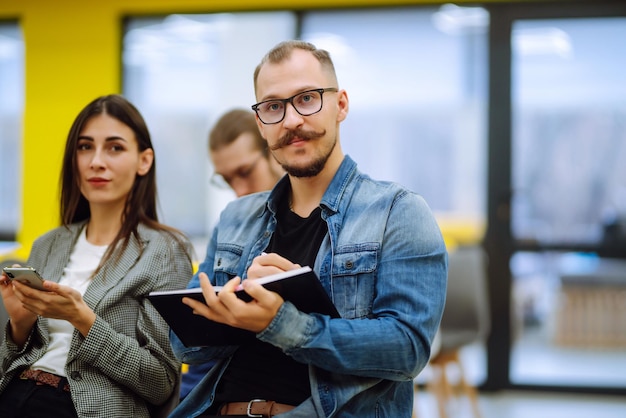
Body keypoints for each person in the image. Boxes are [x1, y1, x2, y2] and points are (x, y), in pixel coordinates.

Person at [170, 40, 447, 417]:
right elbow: (186, 346)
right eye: (273, 107)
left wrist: (284, 323)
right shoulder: (236, 219)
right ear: (261, 125)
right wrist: (226, 315)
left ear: (341, 105)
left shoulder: (398, 213)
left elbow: (407, 350)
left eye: (307, 99)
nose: (291, 120)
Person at [0, 94, 193, 418]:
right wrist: (20, 325)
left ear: (144, 161)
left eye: (115, 148)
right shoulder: (49, 244)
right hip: (16, 394)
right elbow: (12, 361)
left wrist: (83, 319)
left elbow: (159, 381)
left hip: (84, 408)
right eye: (85, 147)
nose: (96, 162)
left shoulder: (166, 251)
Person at [179, 108, 284, 400]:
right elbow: (190, 338)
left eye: (245, 173)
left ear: (273, 149)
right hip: (210, 393)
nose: (238, 190)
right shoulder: (228, 227)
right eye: (226, 180)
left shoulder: (314, 223)